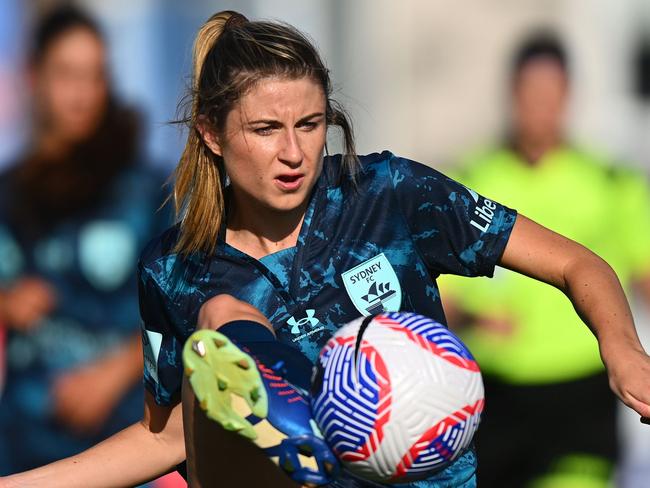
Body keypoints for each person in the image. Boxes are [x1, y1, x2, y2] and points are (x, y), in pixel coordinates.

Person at [3, 10, 650, 488]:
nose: (294, 152)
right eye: (265, 129)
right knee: (222, 318)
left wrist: (622, 349)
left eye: (309, 125)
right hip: (264, 477)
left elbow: (577, 263)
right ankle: (298, 436)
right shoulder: (173, 268)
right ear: (213, 134)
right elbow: (165, 433)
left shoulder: (391, 194)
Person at [439, 34, 650, 487]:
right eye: (531, 94)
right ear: (512, 95)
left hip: (581, 386)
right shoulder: (471, 182)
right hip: (496, 390)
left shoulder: (611, 184)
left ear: (568, 96)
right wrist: (473, 318)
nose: (541, 107)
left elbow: (644, 275)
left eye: (551, 95)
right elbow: (438, 297)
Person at [0, 4, 168, 476]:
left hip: (119, 451)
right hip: (20, 452)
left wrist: (112, 374)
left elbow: (191, 305)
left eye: (95, 76)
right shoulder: (8, 193)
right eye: (67, 74)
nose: (83, 94)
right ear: (33, 77)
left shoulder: (147, 193)